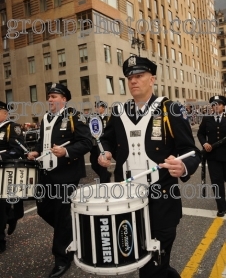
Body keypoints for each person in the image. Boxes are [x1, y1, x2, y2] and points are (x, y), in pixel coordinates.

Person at [98, 55, 201, 278]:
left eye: (139, 75)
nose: (133, 81)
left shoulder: (169, 109)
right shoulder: (118, 113)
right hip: (128, 202)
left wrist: (183, 166)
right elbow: (107, 139)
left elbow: (191, 152)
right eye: (129, 77)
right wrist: (104, 151)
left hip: (161, 201)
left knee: (153, 265)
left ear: (152, 79)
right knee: (147, 261)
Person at [27, 83, 92, 278]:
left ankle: (62, 258)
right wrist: (36, 151)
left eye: (54, 96)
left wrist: (67, 151)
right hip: (47, 174)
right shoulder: (46, 118)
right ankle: (73, 234)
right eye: (49, 96)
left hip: (66, 175)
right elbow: (43, 141)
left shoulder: (74, 116)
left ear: (64, 99)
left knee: (63, 216)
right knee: (43, 209)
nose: (50, 99)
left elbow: (87, 142)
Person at [0, 101, 24, 253]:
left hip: (5, 171)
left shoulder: (12, 128)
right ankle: (11, 215)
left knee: (1, 206)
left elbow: (18, 150)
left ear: (4, 113)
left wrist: (2, 157)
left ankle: (0, 240)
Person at [197, 95, 226, 217]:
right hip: (213, 157)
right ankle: (221, 207)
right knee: (217, 182)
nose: (216, 106)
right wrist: (204, 143)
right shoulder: (207, 119)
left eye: (219, 104)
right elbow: (200, 133)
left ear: (223, 106)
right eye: (214, 104)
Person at [89, 101, 111, 183]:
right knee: (94, 164)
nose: (96, 109)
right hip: (95, 144)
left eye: (98, 107)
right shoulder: (93, 118)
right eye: (95, 107)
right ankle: (106, 176)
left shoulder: (108, 118)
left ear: (103, 108)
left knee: (102, 165)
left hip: (104, 145)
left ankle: (104, 182)